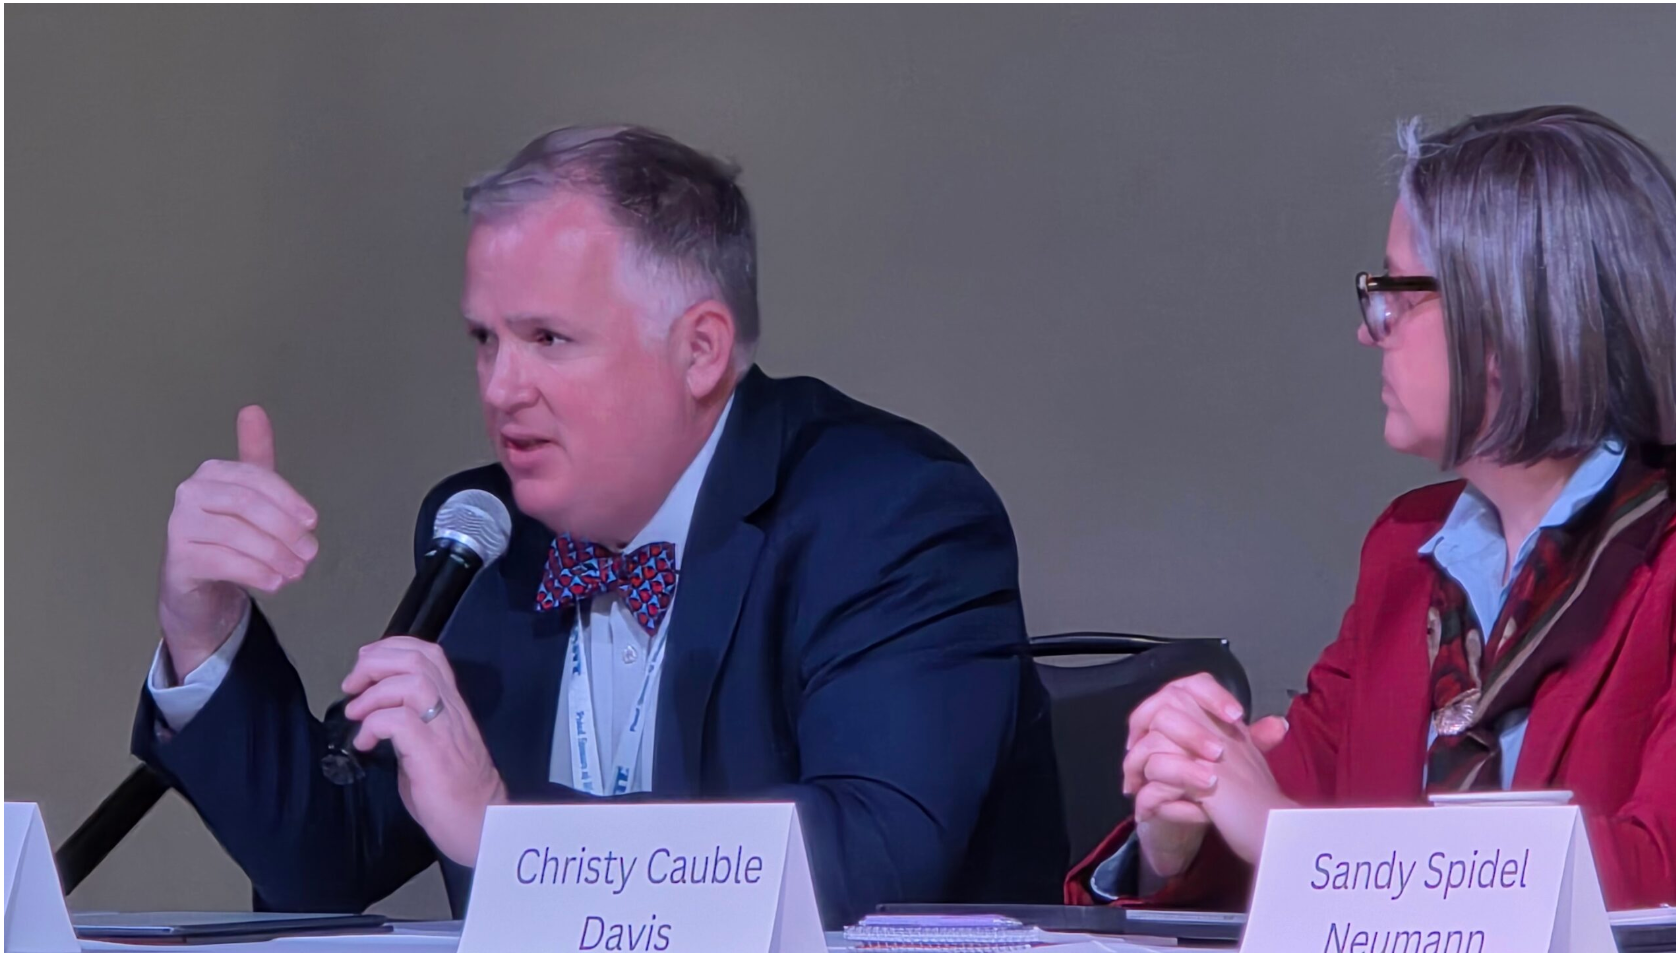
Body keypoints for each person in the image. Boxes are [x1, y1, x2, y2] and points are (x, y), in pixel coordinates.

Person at [135, 125, 1067, 927]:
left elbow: (875, 856)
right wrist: (203, 626)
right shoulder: (487, 534)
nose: (501, 388)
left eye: (548, 339)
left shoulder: (891, 513)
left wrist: (508, 832)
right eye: (485, 340)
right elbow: (327, 863)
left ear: (699, 350)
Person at [1067, 105, 1676, 911]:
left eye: (1395, 292)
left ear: (1504, 317)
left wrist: (1290, 839)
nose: (1371, 330)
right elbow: (1286, 821)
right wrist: (1182, 821)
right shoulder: (1405, 551)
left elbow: (1656, 875)